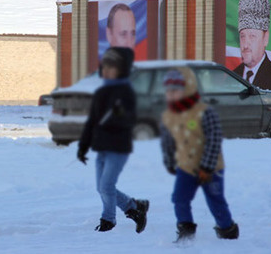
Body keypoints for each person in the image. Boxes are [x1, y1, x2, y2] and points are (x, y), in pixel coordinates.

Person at [160, 68, 239, 243]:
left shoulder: (204, 111)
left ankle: (227, 231)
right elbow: (167, 142)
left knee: (215, 200)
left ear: (187, 89)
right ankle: (185, 229)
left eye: (175, 90)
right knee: (179, 199)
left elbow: (214, 139)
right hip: (186, 167)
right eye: (168, 91)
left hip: (211, 168)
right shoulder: (168, 116)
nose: (171, 95)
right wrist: (170, 162)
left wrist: (207, 167)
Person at [77, 47, 149, 233]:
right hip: (101, 147)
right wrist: (83, 146)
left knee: (106, 185)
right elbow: (92, 121)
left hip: (118, 147)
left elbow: (130, 120)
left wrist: (119, 115)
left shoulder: (126, 92)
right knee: (101, 188)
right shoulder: (102, 92)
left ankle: (108, 220)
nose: (107, 71)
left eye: (112, 67)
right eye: (105, 67)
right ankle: (134, 206)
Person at [233, 0, 271, 91]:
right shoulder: (233, 75)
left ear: (265, 38)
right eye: (242, 36)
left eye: (252, 36)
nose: (245, 45)